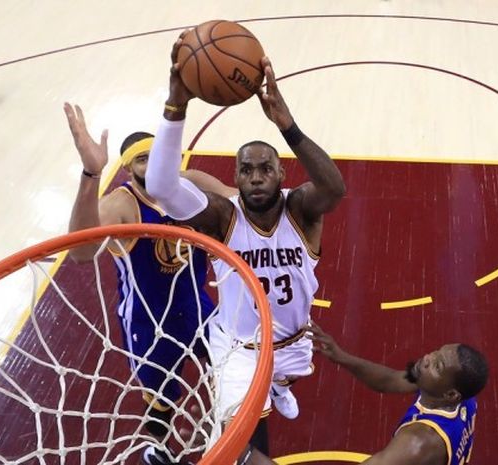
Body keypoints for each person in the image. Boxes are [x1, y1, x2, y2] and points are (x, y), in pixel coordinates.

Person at [144, 33, 346, 454]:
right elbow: (161, 187)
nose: (256, 177)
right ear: (235, 178)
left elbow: (334, 187)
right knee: (241, 439)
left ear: (281, 175)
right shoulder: (222, 215)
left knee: (282, 382)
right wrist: (176, 103)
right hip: (237, 347)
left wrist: (287, 126)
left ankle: (278, 387)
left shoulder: (301, 209)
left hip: (292, 341)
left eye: (266, 168)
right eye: (247, 170)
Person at [63, 103, 236, 465]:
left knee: (229, 366)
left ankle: (230, 434)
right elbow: (80, 253)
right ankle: (157, 449)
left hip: (197, 306)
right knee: (163, 398)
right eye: (142, 160)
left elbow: (240, 206)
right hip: (150, 321)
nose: (153, 164)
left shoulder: (193, 183)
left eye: (158, 154)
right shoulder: (121, 205)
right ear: (128, 168)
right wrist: (90, 175)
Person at [309, 322, 489, 464]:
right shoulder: (460, 394)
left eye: (437, 365)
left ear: (451, 394)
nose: (427, 358)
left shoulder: (418, 442)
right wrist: (341, 356)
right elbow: (390, 381)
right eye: (436, 353)